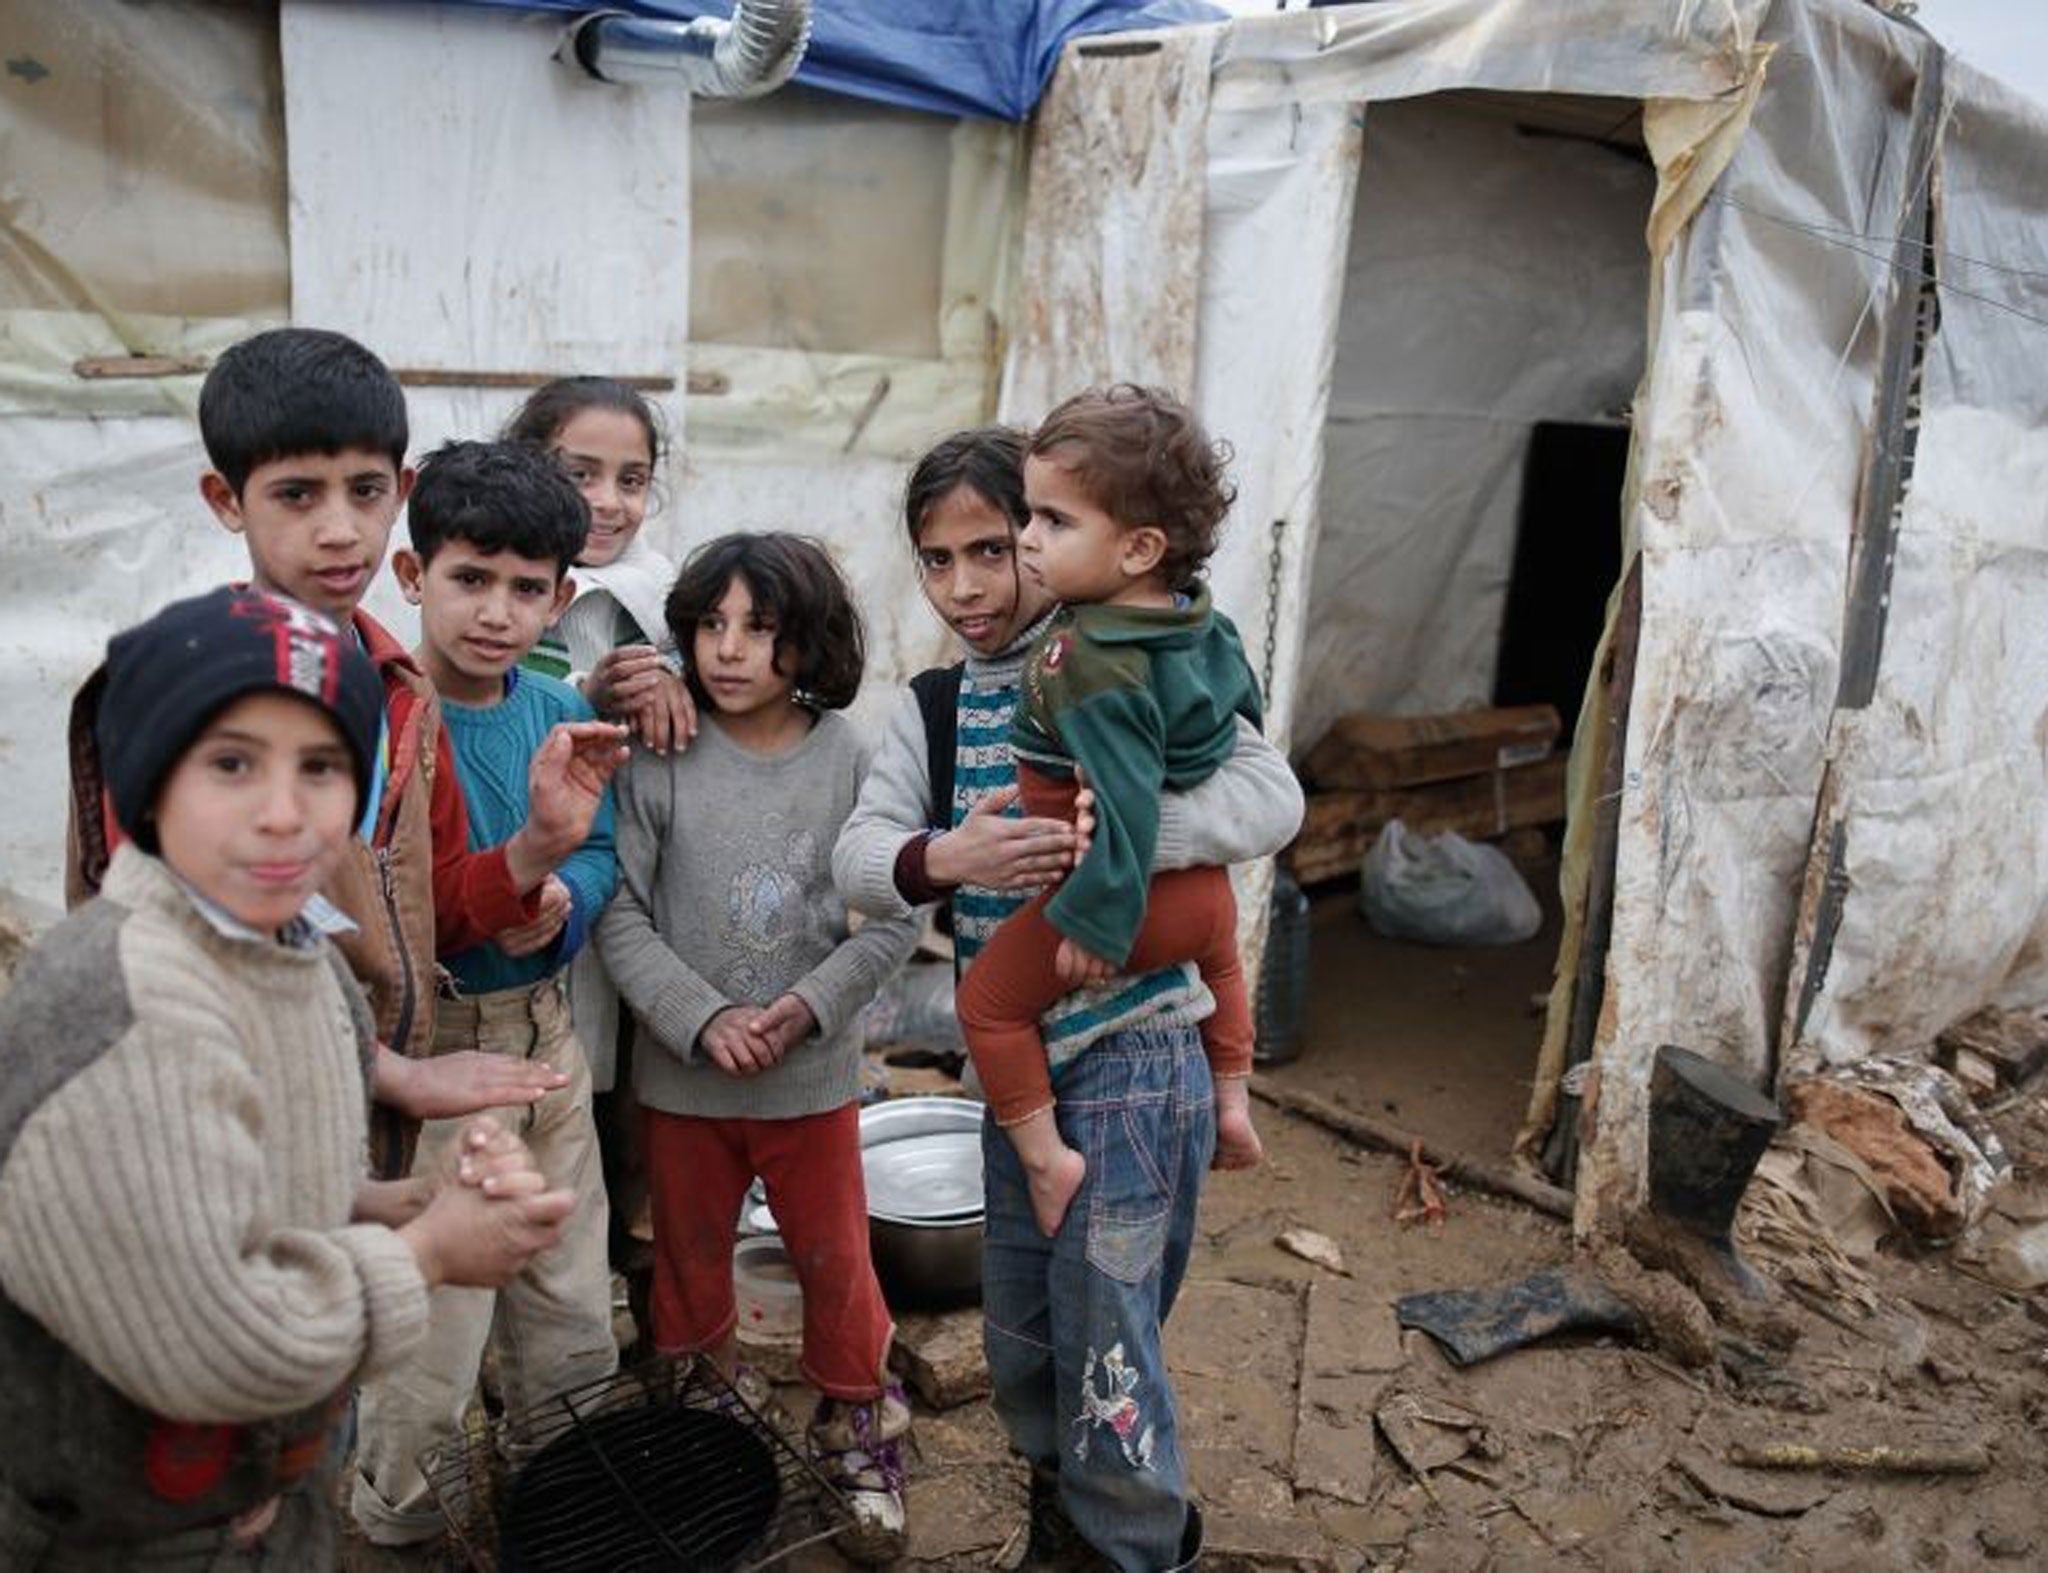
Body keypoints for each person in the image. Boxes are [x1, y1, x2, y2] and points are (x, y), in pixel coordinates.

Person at [0, 587, 574, 1566]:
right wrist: (431, 1252)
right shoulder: (122, 1008)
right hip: (121, 1535)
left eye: (321, 766)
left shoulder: (287, 951)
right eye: (230, 763)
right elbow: (217, 1343)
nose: (282, 812)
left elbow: (232, 1177)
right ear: (147, 782)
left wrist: (394, 1204)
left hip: (252, 1502)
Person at [831, 424, 1303, 1573]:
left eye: (997, 546)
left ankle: (1132, 1545)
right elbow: (858, 856)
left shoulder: (1123, 657)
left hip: (1137, 1051)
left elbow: (1270, 792)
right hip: (1015, 1078)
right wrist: (946, 859)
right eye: (936, 561)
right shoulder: (937, 707)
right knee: (1023, 1334)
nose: (968, 585)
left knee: (1107, 1340)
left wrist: (1129, 851)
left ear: (1058, 536)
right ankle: (1065, 1513)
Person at [63, 328, 624, 1177]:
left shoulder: (401, 692)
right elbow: (158, 959)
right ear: (225, 499)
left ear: (399, 492)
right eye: (295, 494)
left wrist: (535, 848)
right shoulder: (174, 690)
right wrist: (389, 1071)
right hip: (220, 1119)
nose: (338, 530)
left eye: (364, 490)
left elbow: (427, 913)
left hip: (363, 1120)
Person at [597, 533, 922, 1565]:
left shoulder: (852, 760)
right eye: (709, 624)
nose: (728, 650)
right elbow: (619, 914)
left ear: (809, 642)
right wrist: (700, 1017)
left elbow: (890, 914)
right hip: (683, 1081)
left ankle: (856, 1421)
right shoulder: (657, 759)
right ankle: (710, 1419)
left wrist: (803, 1007)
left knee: (834, 1257)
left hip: (810, 1077)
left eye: (762, 628)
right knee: (688, 1262)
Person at [349, 441, 627, 1548]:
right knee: (435, 1320)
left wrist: (568, 888)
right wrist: (520, 863)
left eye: (526, 588)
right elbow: (395, 908)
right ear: (414, 578)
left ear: (561, 596)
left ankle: (557, 1488)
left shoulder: (555, 707)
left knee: (568, 1285)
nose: (497, 611)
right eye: (470, 579)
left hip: (548, 1040)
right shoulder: (384, 726)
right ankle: (402, 1519)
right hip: (443, 1049)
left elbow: (599, 847)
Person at [955, 386, 1269, 1240]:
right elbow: (1245, 709)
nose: (1027, 538)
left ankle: (1046, 1159)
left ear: (1138, 547)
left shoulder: (1084, 655)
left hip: (1126, 903)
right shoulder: (1202, 622)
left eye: (1054, 522)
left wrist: (1097, 922)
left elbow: (1124, 799)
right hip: (1204, 896)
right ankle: (1231, 1097)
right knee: (1227, 965)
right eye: (1030, 514)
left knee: (988, 1002)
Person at [504, 375, 696, 1302]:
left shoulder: (661, 592)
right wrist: (589, 698)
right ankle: (548, 1270)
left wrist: (668, 678)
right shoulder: (503, 581)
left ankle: (638, 1272)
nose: (608, 501)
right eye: (581, 473)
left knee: (632, 1079)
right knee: (556, 1074)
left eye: (632, 477)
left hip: (636, 876)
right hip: (538, 871)